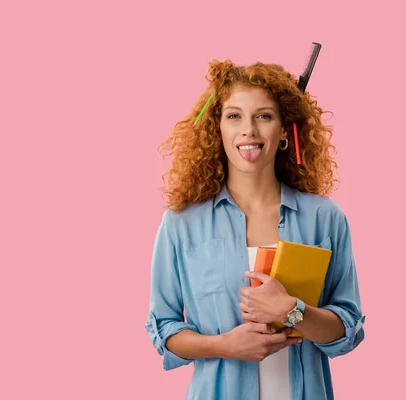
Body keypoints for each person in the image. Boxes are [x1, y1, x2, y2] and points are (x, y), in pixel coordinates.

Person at [145, 59, 365, 400]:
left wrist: (292, 311)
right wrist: (225, 345)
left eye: (264, 115)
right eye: (234, 116)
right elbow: (164, 328)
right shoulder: (181, 223)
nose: (248, 129)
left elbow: (348, 328)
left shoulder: (324, 217)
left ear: (284, 132)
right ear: (217, 129)